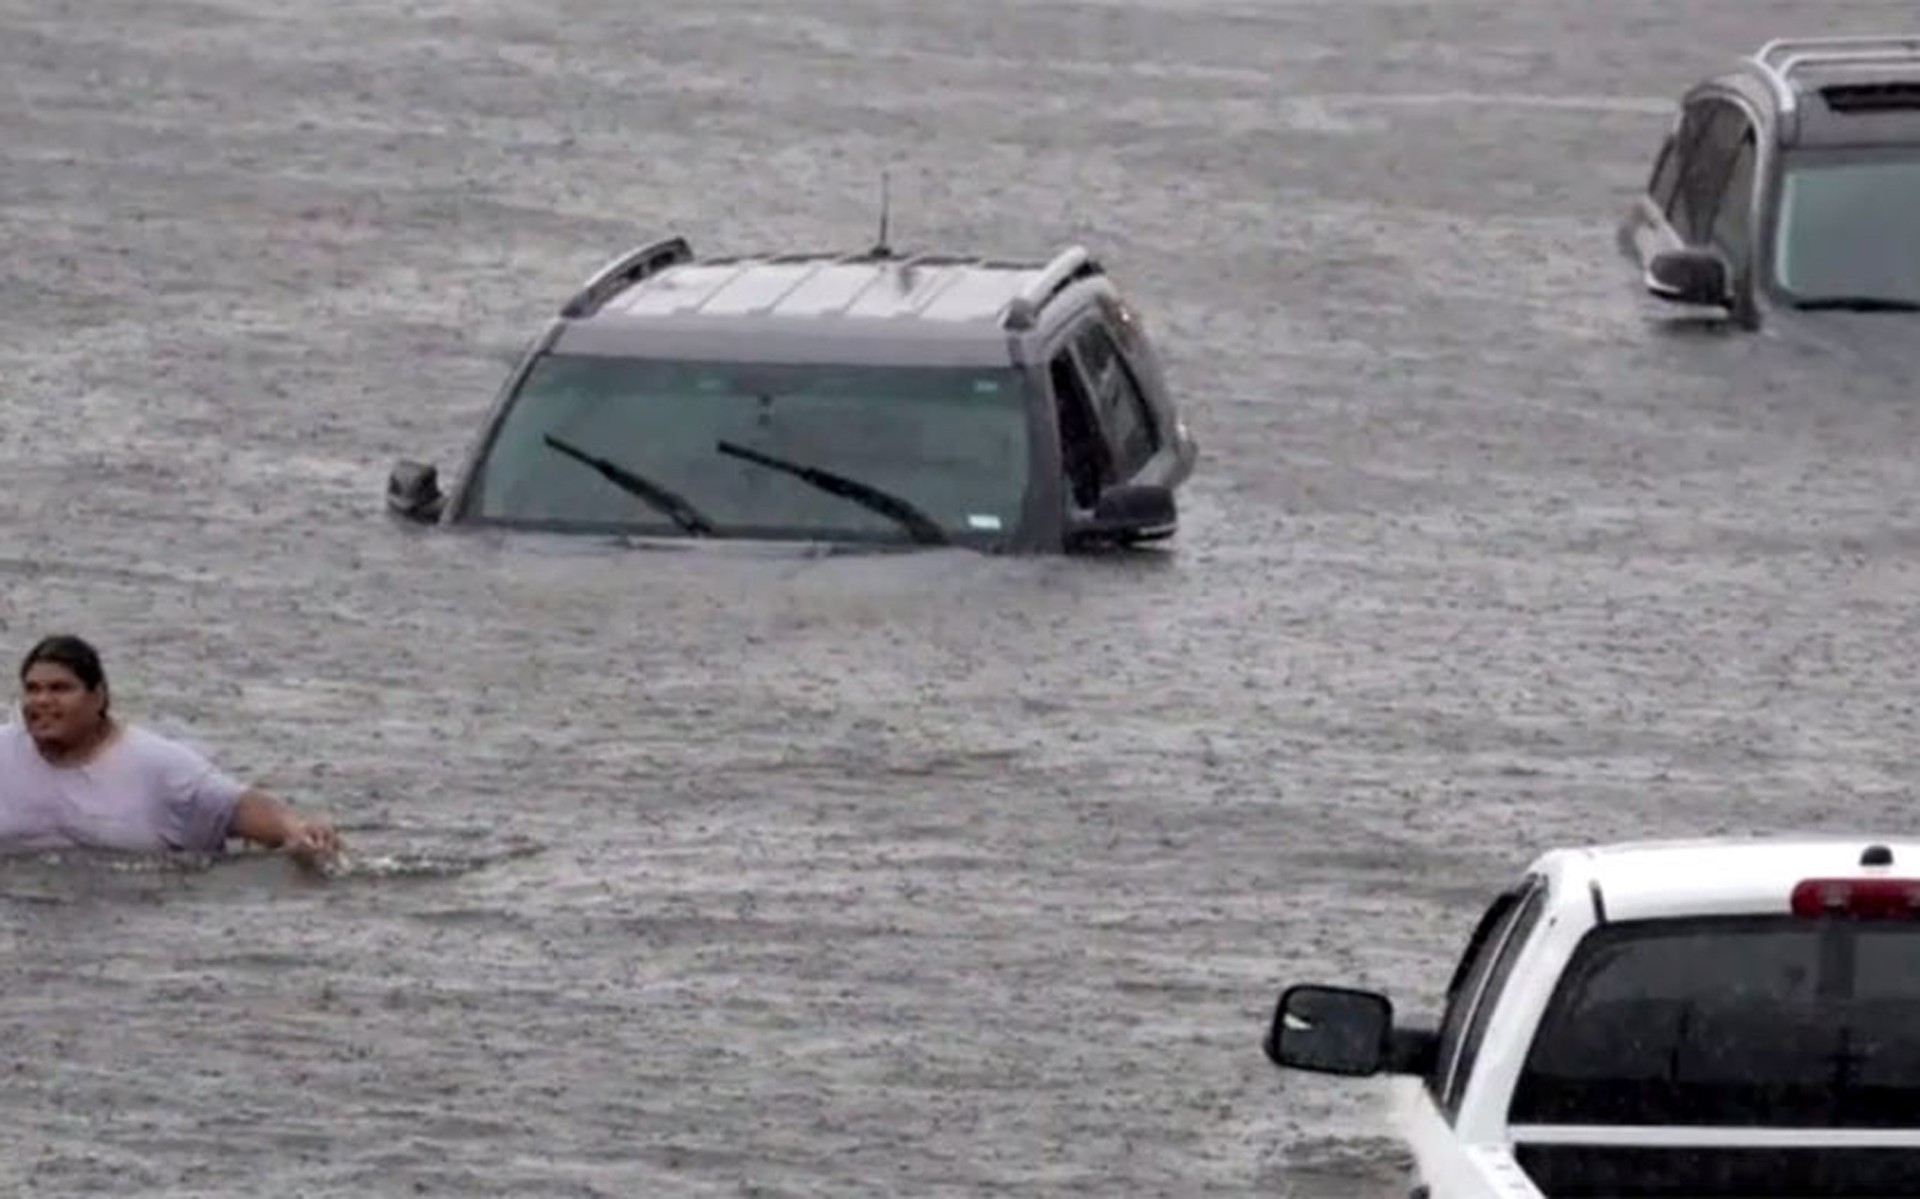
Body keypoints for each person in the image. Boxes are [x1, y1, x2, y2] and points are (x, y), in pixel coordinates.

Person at [0, 633, 342, 871]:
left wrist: (297, 831)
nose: (42, 701)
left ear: (98, 697)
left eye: (60, 689)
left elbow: (236, 806)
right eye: (33, 690)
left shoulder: (158, 765)